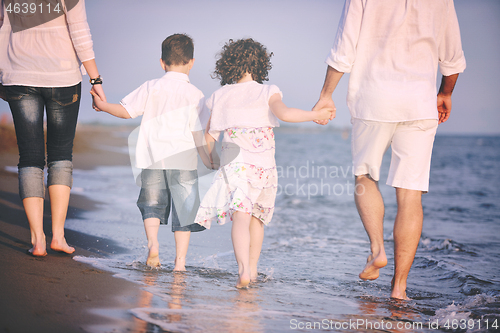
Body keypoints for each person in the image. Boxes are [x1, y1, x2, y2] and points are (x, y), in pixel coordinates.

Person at [313, 0, 466, 299]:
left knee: (365, 176)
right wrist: (445, 93)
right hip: (420, 103)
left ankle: (377, 250)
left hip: (374, 98)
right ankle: (399, 289)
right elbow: (452, 58)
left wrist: (325, 95)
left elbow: (344, 50)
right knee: (410, 194)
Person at [195, 38, 334, 288]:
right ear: (260, 64)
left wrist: (210, 160)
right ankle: (254, 269)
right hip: (264, 170)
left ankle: (243, 271)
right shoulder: (268, 91)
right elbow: (285, 114)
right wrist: (316, 115)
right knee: (257, 220)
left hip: (235, 167)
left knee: (240, 218)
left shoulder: (219, 95)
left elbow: (208, 138)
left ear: (228, 65)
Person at [92, 34, 210, 270]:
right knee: (184, 213)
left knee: (152, 204)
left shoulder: (151, 87)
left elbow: (127, 111)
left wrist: (103, 106)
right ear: (192, 62)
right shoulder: (196, 95)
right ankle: (180, 263)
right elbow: (200, 134)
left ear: (162, 62)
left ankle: (153, 245)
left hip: (152, 158)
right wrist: (208, 158)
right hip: (184, 161)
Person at [0, 0, 106, 256]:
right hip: (62, 77)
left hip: (20, 74)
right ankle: (58, 235)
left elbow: (3, 29)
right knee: (60, 155)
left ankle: (38, 240)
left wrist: (5, 73)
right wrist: (95, 79)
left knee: (30, 157)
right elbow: (79, 31)